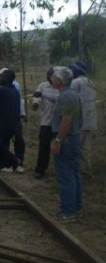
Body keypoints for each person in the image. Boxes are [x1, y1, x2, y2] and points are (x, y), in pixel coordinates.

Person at [50, 66, 83, 222]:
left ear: (60, 80)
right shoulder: (68, 95)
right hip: (71, 139)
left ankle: (68, 212)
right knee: (73, 173)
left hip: (66, 140)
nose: (51, 78)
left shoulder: (66, 96)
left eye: (54, 76)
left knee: (66, 176)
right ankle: (75, 206)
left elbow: (66, 120)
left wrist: (58, 140)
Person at [0, 68, 26, 173]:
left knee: (19, 140)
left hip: (15, 117)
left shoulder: (16, 85)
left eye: (1, 75)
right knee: (3, 141)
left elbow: (19, 99)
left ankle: (18, 163)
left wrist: (22, 113)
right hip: (2, 118)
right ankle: (4, 164)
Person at [31, 67, 60, 179]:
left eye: (51, 76)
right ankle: (40, 170)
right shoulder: (42, 86)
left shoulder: (61, 88)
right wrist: (35, 104)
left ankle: (60, 171)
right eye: (47, 75)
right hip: (46, 122)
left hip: (59, 124)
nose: (48, 78)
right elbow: (36, 98)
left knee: (60, 148)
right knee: (44, 148)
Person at [70, 61, 97, 177]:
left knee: (74, 148)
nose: (72, 71)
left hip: (79, 121)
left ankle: (75, 172)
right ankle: (86, 172)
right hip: (90, 120)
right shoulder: (90, 82)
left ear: (77, 71)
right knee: (86, 149)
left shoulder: (76, 82)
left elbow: (70, 99)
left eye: (73, 70)